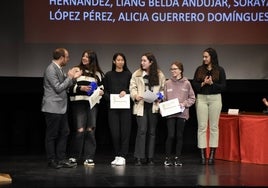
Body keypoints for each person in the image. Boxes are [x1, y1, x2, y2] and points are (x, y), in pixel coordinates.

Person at [41, 47, 82, 169]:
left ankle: (61, 158)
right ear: (61, 58)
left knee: (65, 132)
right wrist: (70, 77)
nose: (68, 59)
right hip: (52, 107)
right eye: (67, 57)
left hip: (61, 108)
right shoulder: (51, 70)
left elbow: (66, 85)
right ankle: (51, 160)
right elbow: (58, 88)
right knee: (52, 135)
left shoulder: (59, 69)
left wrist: (73, 77)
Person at [68, 49, 104, 166]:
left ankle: (89, 157)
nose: (84, 58)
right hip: (78, 103)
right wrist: (81, 88)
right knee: (80, 130)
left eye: (87, 57)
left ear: (92, 59)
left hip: (91, 104)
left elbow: (101, 88)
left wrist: (100, 92)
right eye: (83, 56)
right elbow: (68, 86)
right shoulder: (76, 69)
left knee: (90, 129)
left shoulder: (98, 73)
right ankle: (74, 156)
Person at [129, 52, 166, 166]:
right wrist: (135, 95)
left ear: (151, 62)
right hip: (141, 105)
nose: (142, 63)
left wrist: (159, 97)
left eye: (144, 61)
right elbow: (132, 88)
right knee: (142, 130)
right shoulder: (137, 74)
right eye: (141, 60)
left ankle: (150, 157)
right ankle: (139, 157)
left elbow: (163, 89)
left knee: (152, 132)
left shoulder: (159, 75)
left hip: (153, 105)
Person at [192, 47, 226, 165]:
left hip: (215, 99)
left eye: (206, 56)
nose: (204, 59)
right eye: (203, 57)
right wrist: (203, 83)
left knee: (213, 127)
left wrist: (212, 84)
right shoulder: (199, 69)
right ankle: (202, 155)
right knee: (201, 126)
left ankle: (212, 155)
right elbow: (194, 85)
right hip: (201, 98)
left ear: (212, 57)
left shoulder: (220, 70)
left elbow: (223, 87)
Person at [163, 61, 196, 166]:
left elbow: (192, 98)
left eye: (175, 69)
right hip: (170, 114)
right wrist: (160, 100)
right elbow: (164, 98)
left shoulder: (187, 83)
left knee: (179, 136)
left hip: (182, 113)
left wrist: (184, 104)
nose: (173, 71)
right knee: (171, 135)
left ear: (180, 70)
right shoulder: (167, 83)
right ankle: (167, 158)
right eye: (171, 69)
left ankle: (177, 158)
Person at [103, 52, 132, 166]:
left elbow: (132, 89)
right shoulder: (108, 75)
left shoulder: (128, 74)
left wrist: (126, 91)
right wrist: (109, 98)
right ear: (114, 61)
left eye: (122, 60)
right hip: (113, 108)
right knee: (115, 133)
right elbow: (105, 91)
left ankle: (123, 156)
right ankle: (117, 155)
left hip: (125, 108)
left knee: (125, 132)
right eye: (118, 60)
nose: (120, 62)